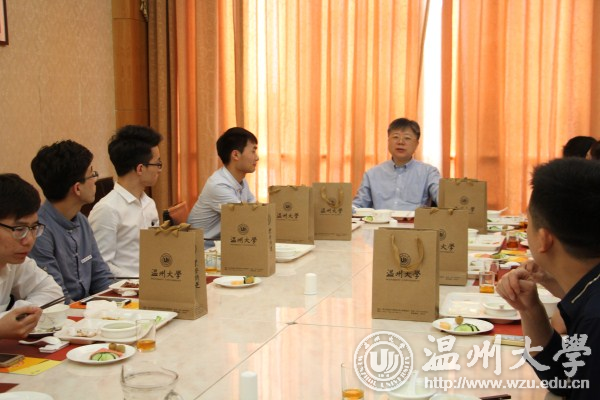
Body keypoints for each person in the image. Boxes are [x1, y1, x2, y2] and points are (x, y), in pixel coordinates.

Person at [496, 158, 600, 399]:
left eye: (528, 224)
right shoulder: (589, 293)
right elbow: (563, 379)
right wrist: (530, 309)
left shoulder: (595, 319)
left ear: (544, 239)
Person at [29, 140, 114, 303]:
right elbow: (58, 298)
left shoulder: (81, 220)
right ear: (77, 188)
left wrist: (122, 304)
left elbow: (101, 277)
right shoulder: (39, 231)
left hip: (88, 311)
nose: (95, 180)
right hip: (63, 314)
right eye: (92, 174)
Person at [89, 125, 162, 277]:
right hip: (125, 287)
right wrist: (137, 280)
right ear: (140, 169)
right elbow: (101, 264)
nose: (159, 170)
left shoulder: (149, 203)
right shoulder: (107, 209)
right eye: (158, 164)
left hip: (152, 281)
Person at [0, 174, 64, 339]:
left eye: (34, 227)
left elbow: (52, 292)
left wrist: (19, 313)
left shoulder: (14, 261)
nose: (29, 240)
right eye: (19, 229)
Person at [187, 127, 258, 247]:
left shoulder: (241, 180)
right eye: (253, 151)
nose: (257, 157)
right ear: (236, 155)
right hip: (203, 248)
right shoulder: (219, 185)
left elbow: (256, 209)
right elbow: (246, 219)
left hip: (222, 245)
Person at [352, 118, 440, 211]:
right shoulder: (372, 174)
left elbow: (442, 199)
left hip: (415, 220)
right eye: (395, 137)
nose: (400, 142)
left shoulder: (429, 172)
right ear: (388, 141)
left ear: (416, 144)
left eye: (407, 138)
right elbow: (358, 205)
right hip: (380, 220)